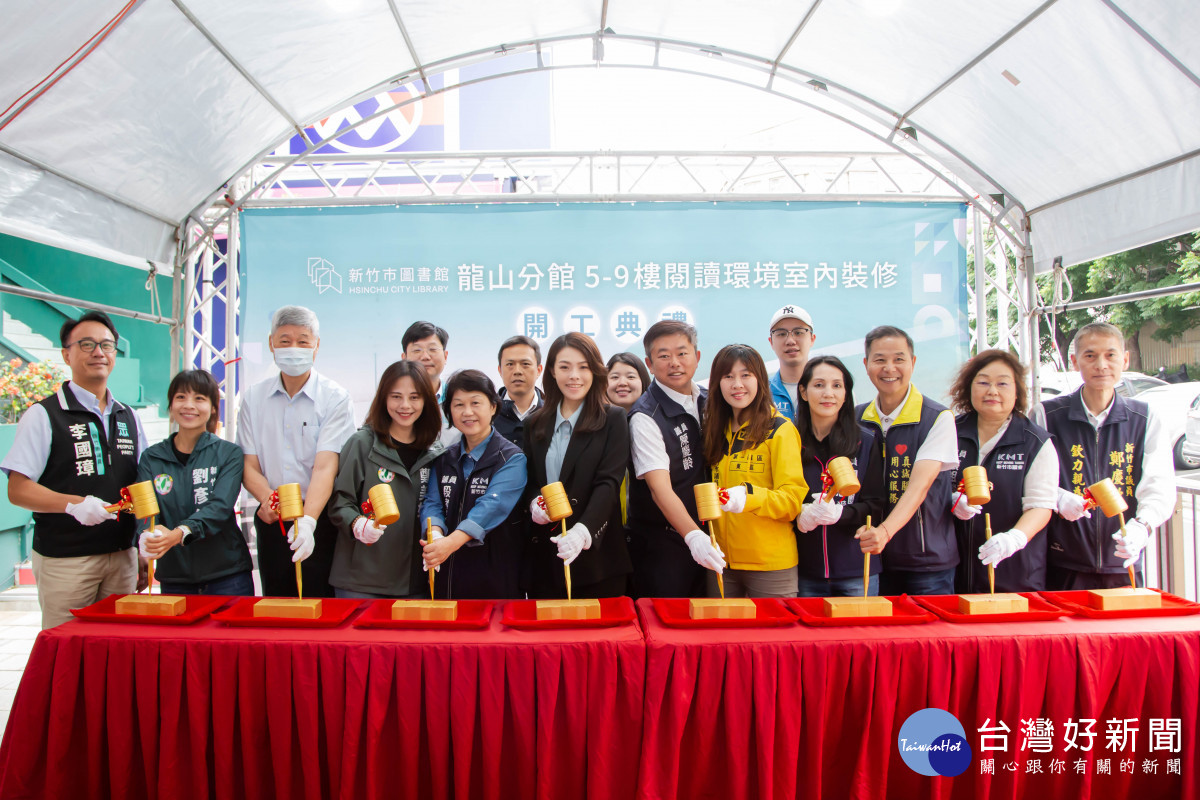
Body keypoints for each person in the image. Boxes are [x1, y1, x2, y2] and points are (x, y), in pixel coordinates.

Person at [2, 311, 147, 628]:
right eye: (87, 344)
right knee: (67, 647)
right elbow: (18, 489)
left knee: (117, 647)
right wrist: (74, 504)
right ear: (66, 354)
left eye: (106, 345)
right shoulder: (44, 414)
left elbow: (140, 485)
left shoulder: (129, 417)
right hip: (66, 561)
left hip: (122, 556)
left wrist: (141, 548)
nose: (99, 352)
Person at [1031, 323, 1174, 590]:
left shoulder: (1145, 418)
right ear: (1075, 361)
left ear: (1125, 359)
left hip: (1123, 559)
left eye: (1110, 355)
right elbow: (1030, 480)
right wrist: (1058, 497)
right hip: (1062, 561)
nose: (1101, 365)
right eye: (1090, 355)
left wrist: (1141, 527)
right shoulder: (1046, 415)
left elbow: (1159, 486)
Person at [237, 305, 355, 598]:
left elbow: (326, 466)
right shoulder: (253, 397)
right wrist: (269, 501)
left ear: (316, 346)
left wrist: (309, 521)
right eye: (285, 340)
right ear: (271, 343)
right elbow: (248, 464)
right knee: (278, 600)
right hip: (272, 515)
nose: (294, 348)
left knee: (320, 601)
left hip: (319, 516)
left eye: (303, 341)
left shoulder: (335, 397)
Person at [524, 333, 632, 598]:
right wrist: (534, 504)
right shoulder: (534, 423)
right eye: (565, 367)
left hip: (598, 560)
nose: (574, 376)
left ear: (595, 371)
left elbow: (609, 483)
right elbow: (530, 481)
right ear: (552, 371)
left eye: (583, 367)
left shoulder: (613, 419)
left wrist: (583, 531)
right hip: (546, 558)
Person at [855, 325, 960, 595]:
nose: (889, 368)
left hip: (926, 562)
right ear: (866, 365)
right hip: (871, 559)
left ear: (912, 362)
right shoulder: (856, 418)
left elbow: (919, 487)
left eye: (898, 359)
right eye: (880, 360)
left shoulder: (937, 418)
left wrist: (884, 532)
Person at [327, 360, 444, 598]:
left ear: (427, 401)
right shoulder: (362, 444)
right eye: (396, 397)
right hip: (362, 582)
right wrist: (357, 524)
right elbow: (340, 501)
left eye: (414, 397)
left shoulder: (436, 451)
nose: (405, 405)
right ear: (383, 399)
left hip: (417, 583)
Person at [947, 350, 1058, 593]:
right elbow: (930, 486)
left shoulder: (1035, 442)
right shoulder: (948, 432)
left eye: (1002, 384)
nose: (992, 391)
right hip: (954, 573)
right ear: (969, 387)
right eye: (983, 382)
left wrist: (1014, 539)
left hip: (1016, 573)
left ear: (1017, 391)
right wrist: (950, 499)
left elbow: (1041, 505)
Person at [628, 320, 724, 598]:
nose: (675, 363)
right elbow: (659, 489)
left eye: (682, 353)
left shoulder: (712, 401)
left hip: (713, 534)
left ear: (697, 356)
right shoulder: (645, 415)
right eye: (664, 356)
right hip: (664, 543)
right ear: (649, 363)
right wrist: (693, 536)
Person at [701, 345, 807, 598]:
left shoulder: (779, 429)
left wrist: (748, 497)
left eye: (746, 375)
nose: (737, 384)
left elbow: (793, 500)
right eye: (728, 376)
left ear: (760, 379)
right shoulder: (714, 430)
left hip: (770, 566)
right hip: (720, 562)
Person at [135, 370, 252, 595]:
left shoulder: (228, 453)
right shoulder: (152, 458)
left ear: (213, 408)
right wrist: (149, 533)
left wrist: (179, 533)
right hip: (174, 577)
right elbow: (144, 511)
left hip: (227, 576)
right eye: (181, 397)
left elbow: (219, 507)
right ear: (170, 406)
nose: (189, 405)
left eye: (199, 398)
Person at [419, 369, 528, 598]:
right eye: (458, 405)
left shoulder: (511, 458)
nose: (467, 412)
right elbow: (432, 503)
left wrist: (449, 544)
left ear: (493, 407)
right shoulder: (444, 458)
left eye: (475, 403)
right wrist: (435, 534)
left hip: (494, 577)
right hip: (447, 575)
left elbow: (491, 507)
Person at [792, 356, 886, 597]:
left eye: (837, 385)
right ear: (803, 392)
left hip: (857, 569)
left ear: (846, 394)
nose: (828, 393)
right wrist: (800, 514)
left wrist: (840, 514)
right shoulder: (790, 442)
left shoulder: (866, 441)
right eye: (819, 385)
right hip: (804, 571)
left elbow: (877, 505)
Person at [402, 320, 458, 446]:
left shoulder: (459, 399)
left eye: (432, 349)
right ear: (404, 358)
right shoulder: (394, 403)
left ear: (445, 356)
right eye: (417, 350)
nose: (425, 357)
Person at [767, 304, 816, 423]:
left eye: (798, 332)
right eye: (781, 334)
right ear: (771, 342)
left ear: (812, 339)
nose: (790, 341)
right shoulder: (761, 392)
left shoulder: (832, 389)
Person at [494, 335, 544, 449]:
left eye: (525, 364)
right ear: (500, 370)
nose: (517, 371)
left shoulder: (553, 414)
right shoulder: (488, 414)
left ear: (538, 370)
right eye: (510, 364)